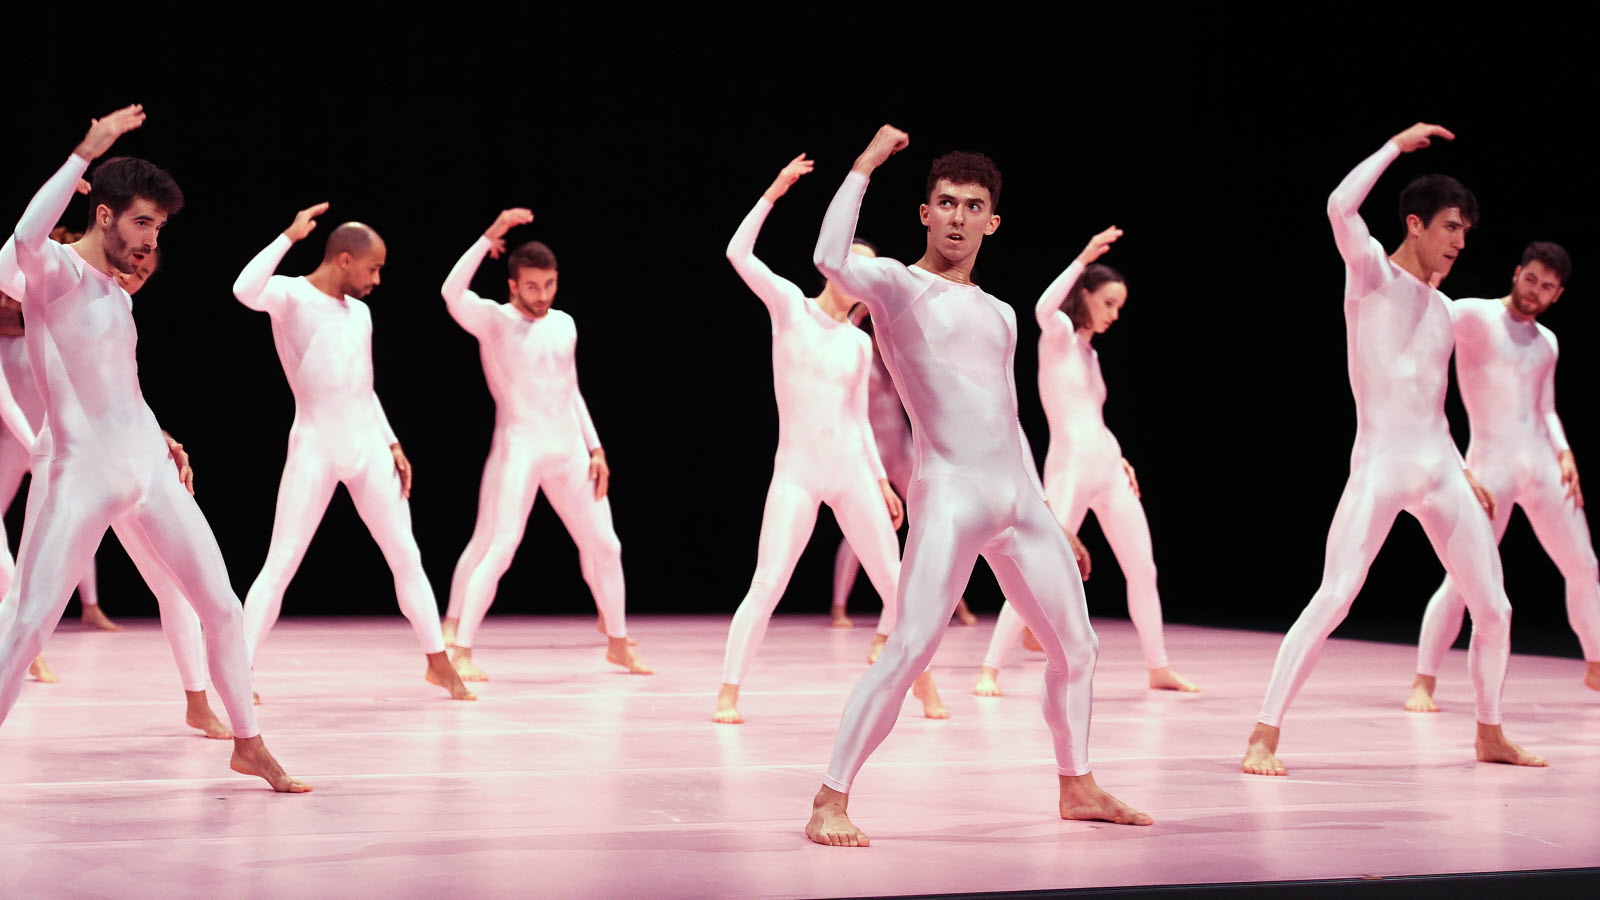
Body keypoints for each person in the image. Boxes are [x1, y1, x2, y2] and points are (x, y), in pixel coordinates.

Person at [804, 125, 1152, 847]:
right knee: (908, 650)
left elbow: (1010, 421)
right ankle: (829, 798)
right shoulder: (898, 285)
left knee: (1079, 646)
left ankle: (1078, 783)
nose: (958, 216)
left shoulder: (1001, 314)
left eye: (972, 205)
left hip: (1018, 500)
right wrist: (865, 165)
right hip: (950, 495)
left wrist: (1055, 518)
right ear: (925, 213)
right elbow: (829, 256)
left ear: (992, 220)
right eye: (945, 202)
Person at [0, 104, 305, 789]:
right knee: (23, 630)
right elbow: (22, 235)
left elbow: (119, 386)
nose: (149, 240)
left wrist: (160, 435)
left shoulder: (120, 295)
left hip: (145, 467)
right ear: (103, 215)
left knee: (221, 606)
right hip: (79, 474)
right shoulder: (52, 273)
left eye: (158, 228)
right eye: (142, 222)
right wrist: (85, 152)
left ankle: (247, 742)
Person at [1241, 123, 1544, 776]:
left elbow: (1431, 407)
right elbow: (1337, 207)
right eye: (1452, 228)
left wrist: (1464, 472)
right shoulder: (1372, 275)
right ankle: (1264, 733)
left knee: (1495, 609)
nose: (1463, 242)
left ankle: (1489, 732)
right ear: (1416, 224)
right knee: (1336, 596)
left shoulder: (1443, 310)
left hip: (1438, 469)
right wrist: (1392, 147)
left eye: (1467, 231)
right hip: (1379, 467)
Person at [714, 153, 946, 726]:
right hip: (796, 472)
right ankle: (728, 690)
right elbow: (737, 254)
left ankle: (926, 686)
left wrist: (877, 479)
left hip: (849, 471)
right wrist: (773, 191)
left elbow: (859, 420)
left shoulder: (858, 344)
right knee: (768, 581)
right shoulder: (790, 308)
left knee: (895, 582)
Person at [233, 203, 474, 701]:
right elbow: (243, 288)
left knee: (407, 555)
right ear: (344, 260)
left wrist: (391, 441)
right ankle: (239, 670)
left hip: (367, 446)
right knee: (280, 562)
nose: (378, 279)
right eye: (373, 268)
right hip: (315, 445)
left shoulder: (361, 313)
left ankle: (438, 662)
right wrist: (287, 237)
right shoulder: (291, 296)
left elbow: (364, 388)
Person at [975, 238, 1199, 697]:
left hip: (1106, 467)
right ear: (1086, 295)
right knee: (1037, 566)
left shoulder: (1091, 355)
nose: (1115, 314)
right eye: (1108, 303)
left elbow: (1092, 418)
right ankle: (990, 668)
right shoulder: (1057, 336)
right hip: (1072, 467)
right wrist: (1083, 257)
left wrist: (1118, 457)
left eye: (1120, 306)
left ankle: (1158, 666)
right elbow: (1042, 307)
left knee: (1143, 569)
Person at [438, 208, 650, 680]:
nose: (542, 295)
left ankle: (617, 641)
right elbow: (451, 292)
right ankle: (463, 650)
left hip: (569, 450)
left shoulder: (565, 323)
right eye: (532, 286)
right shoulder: (493, 321)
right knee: (501, 544)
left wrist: (596, 448)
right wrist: (486, 236)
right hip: (521, 448)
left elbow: (571, 388)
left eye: (549, 284)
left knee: (606, 545)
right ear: (513, 284)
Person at [1406, 242, 1598, 710]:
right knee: (1461, 577)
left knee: (1585, 568)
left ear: (1558, 294)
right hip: (1490, 468)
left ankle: (1595, 666)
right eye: (1531, 279)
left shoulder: (1547, 341)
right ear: (1517, 272)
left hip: (1543, 466)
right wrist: (1424, 282)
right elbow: (1430, 309)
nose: (1535, 291)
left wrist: (1566, 452)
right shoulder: (1475, 315)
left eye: (1547, 287)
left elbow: (1546, 407)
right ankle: (1423, 681)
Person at [830, 303, 979, 630]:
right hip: (874, 455)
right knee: (861, 531)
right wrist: (868, 302)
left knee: (936, 522)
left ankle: (955, 605)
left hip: (903, 450)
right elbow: (852, 324)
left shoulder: (896, 360)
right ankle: (839, 607)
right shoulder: (857, 351)